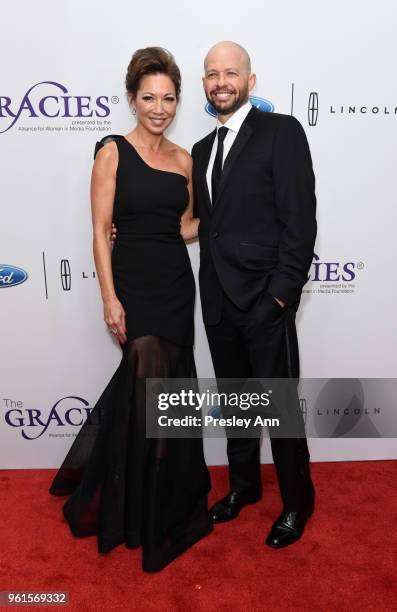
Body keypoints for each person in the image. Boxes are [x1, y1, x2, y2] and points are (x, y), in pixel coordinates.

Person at [49, 47, 213, 573]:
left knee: (169, 388)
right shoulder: (112, 152)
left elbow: (185, 226)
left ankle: (160, 501)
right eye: (149, 98)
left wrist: (224, 221)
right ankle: (129, 504)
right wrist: (109, 296)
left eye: (168, 98)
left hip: (173, 281)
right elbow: (99, 229)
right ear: (131, 99)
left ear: (177, 101)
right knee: (144, 377)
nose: (159, 108)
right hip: (134, 285)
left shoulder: (186, 160)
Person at [192, 41, 317, 548]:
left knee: (280, 410)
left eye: (231, 72)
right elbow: (207, 224)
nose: (221, 81)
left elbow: (300, 220)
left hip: (266, 301)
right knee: (238, 406)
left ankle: (296, 502)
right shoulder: (201, 150)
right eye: (212, 74)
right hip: (219, 301)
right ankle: (243, 488)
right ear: (204, 83)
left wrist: (281, 297)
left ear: (250, 79)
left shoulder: (281, 132)